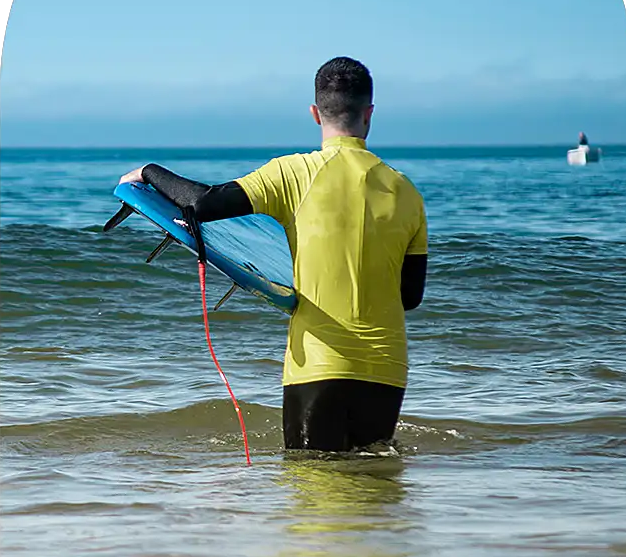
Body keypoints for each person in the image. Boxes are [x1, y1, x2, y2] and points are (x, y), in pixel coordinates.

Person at [119, 57, 427, 452]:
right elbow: (409, 297)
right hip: (387, 370)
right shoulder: (407, 193)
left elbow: (204, 203)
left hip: (318, 365)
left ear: (315, 114)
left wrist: (148, 172)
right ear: (369, 114)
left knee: (311, 486)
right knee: (372, 482)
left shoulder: (293, 174)